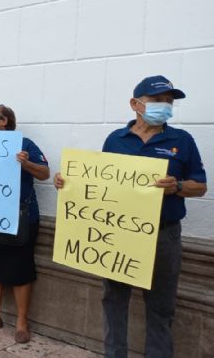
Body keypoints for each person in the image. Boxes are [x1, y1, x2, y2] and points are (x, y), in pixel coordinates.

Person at [54, 75, 207, 357]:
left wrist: (179, 186)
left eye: (169, 102)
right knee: (113, 300)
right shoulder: (115, 140)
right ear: (135, 104)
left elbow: (201, 185)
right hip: (118, 235)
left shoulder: (182, 141)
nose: (165, 105)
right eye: (157, 100)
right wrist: (69, 183)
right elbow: (99, 185)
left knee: (161, 307)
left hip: (164, 236)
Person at [0, 104, 50, 344]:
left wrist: (25, 164)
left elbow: (45, 173)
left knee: (21, 271)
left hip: (21, 217)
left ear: (4, 121)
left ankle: (21, 322)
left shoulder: (25, 144)